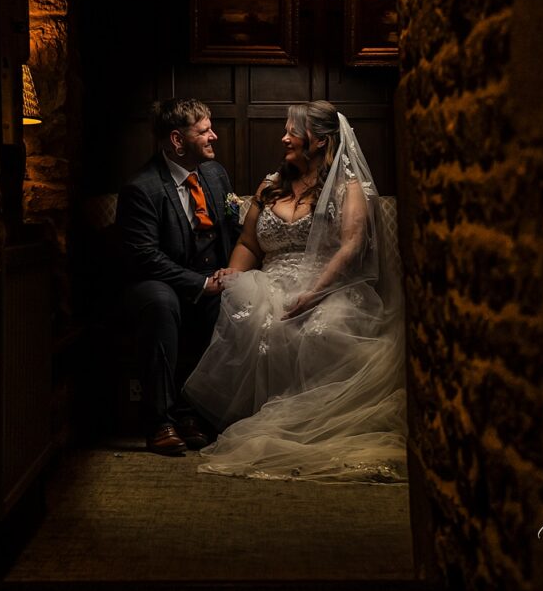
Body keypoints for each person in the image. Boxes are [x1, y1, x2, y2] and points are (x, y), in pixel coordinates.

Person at [182, 101, 407, 482]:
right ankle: (232, 418)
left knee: (321, 327)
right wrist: (231, 276)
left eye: (292, 131)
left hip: (328, 285)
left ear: (319, 141)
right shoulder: (271, 186)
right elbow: (251, 244)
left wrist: (314, 293)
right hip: (270, 281)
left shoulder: (348, 187)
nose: (283, 137)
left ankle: (306, 425)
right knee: (250, 314)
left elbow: (350, 247)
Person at [117, 98, 242, 455]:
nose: (213, 136)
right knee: (161, 302)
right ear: (177, 139)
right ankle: (160, 421)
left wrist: (230, 272)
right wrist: (201, 284)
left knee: (233, 298)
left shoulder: (216, 174)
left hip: (206, 273)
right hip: (157, 280)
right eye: (204, 131)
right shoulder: (142, 188)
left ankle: (193, 414)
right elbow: (144, 257)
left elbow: (231, 227)